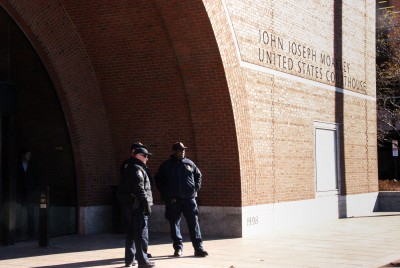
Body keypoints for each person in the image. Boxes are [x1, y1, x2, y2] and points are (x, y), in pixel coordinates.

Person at [155, 142, 208, 257]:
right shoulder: (166, 165)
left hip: (189, 199)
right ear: (174, 152)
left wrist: (196, 187)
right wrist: (166, 193)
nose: (183, 152)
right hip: (174, 200)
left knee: (194, 223)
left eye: (184, 150)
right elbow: (158, 180)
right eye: (180, 150)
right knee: (174, 224)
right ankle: (178, 248)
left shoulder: (189, 163)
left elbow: (198, 175)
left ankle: (198, 248)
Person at [118, 143, 155, 268]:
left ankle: (129, 259)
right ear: (138, 155)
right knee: (140, 234)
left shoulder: (132, 166)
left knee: (131, 232)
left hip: (130, 206)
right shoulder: (136, 169)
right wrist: (146, 205)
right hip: (137, 206)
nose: (147, 158)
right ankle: (143, 261)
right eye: (145, 156)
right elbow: (140, 189)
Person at [16, 148, 39, 238]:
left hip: (30, 193)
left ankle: (31, 232)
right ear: (23, 155)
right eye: (27, 155)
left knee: (30, 214)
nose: (29, 157)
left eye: (30, 155)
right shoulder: (18, 165)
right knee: (19, 213)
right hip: (20, 193)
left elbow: (36, 178)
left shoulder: (32, 166)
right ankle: (17, 232)